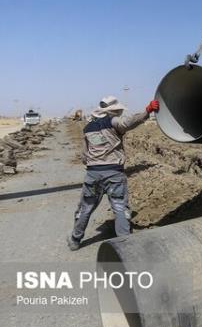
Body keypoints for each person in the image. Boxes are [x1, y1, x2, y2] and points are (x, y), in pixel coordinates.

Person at [66, 95, 159, 250]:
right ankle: (125, 245)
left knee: (86, 207)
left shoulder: (87, 128)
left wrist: (94, 163)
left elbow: (84, 155)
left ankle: (75, 240)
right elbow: (128, 123)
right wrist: (147, 111)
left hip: (93, 174)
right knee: (119, 207)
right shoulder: (113, 121)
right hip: (113, 173)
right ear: (113, 110)